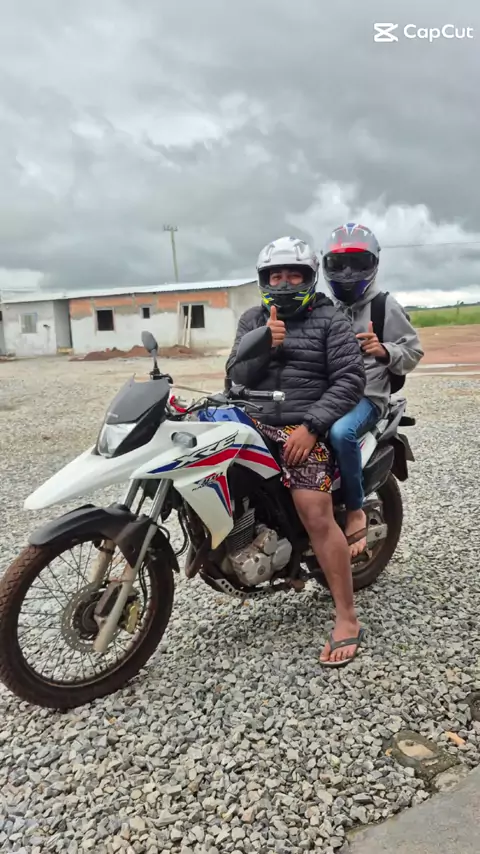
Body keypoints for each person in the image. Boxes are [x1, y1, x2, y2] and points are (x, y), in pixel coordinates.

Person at [226, 236, 367, 667]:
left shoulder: (329, 318)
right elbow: (234, 378)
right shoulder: (253, 319)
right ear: (264, 280)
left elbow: (350, 379)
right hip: (253, 422)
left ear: (309, 278)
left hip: (305, 427)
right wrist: (262, 345)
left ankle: (347, 616)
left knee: (315, 513)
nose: (284, 283)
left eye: (293, 275)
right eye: (275, 276)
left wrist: (311, 427)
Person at [322, 223, 424, 558]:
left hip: (368, 396)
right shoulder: (325, 307)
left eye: (357, 263)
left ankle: (354, 509)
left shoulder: (384, 306)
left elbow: (413, 351)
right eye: (339, 264)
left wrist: (383, 350)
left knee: (341, 433)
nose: (348, 273)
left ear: (373, 263)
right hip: (330, 393)